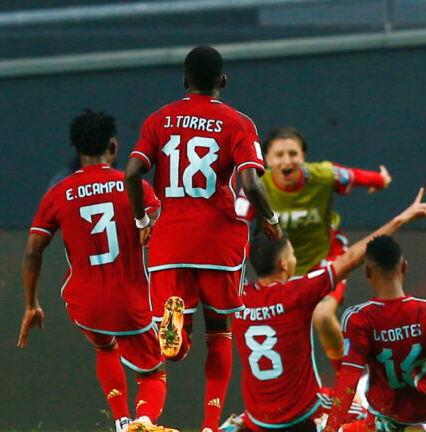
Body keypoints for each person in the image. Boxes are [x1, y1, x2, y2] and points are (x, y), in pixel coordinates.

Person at [124, 45, 283, 432]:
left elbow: (131, 174)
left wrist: (142, 217)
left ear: (184, 81)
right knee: (220, 331)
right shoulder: (238, 123)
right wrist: (271, 219)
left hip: (170, 241)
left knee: (174, 348)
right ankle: (210, 425)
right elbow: (249, 181)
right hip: (217, 241)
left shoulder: (159, 120)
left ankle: (175, 331)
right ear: (223, 81)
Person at [18, 109, 174, 432]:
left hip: (84, 304)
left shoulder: (57, 194)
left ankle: (120, 421)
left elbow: (33, 250)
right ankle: (143, 421)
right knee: (152, 372)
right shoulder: (135, 187)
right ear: (114, 147)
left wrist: (31, 304)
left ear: (77, 150)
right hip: (131, 301)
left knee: (106, 347)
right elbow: (160, 233)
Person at [228, 188, 426, 432]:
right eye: (292, 253)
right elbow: (351, 258)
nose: (294, 258)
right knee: (385, 418)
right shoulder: (297, 293)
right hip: (304, 414)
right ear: (283, 264)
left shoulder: (236, 298)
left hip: (259, 419)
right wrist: (401, 219)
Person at [235, 126, 392, 374]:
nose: (286, 161)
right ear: (266, 159)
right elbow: (236, 227)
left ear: (303, 156)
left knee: (321, 315)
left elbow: (358, 177)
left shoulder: (323, 175)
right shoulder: (255, 188)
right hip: (283, 269)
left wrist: (380, 180)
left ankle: (346, 384)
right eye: (279, 155)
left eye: (293, 153)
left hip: (325, 259)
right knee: (281, 327)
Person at [324, 235, 426, 432]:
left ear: (367, 272)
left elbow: (349, 378)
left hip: (388, 410)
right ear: (404, 267)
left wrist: (330, 429)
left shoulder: (358, 319)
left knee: (354, 422)